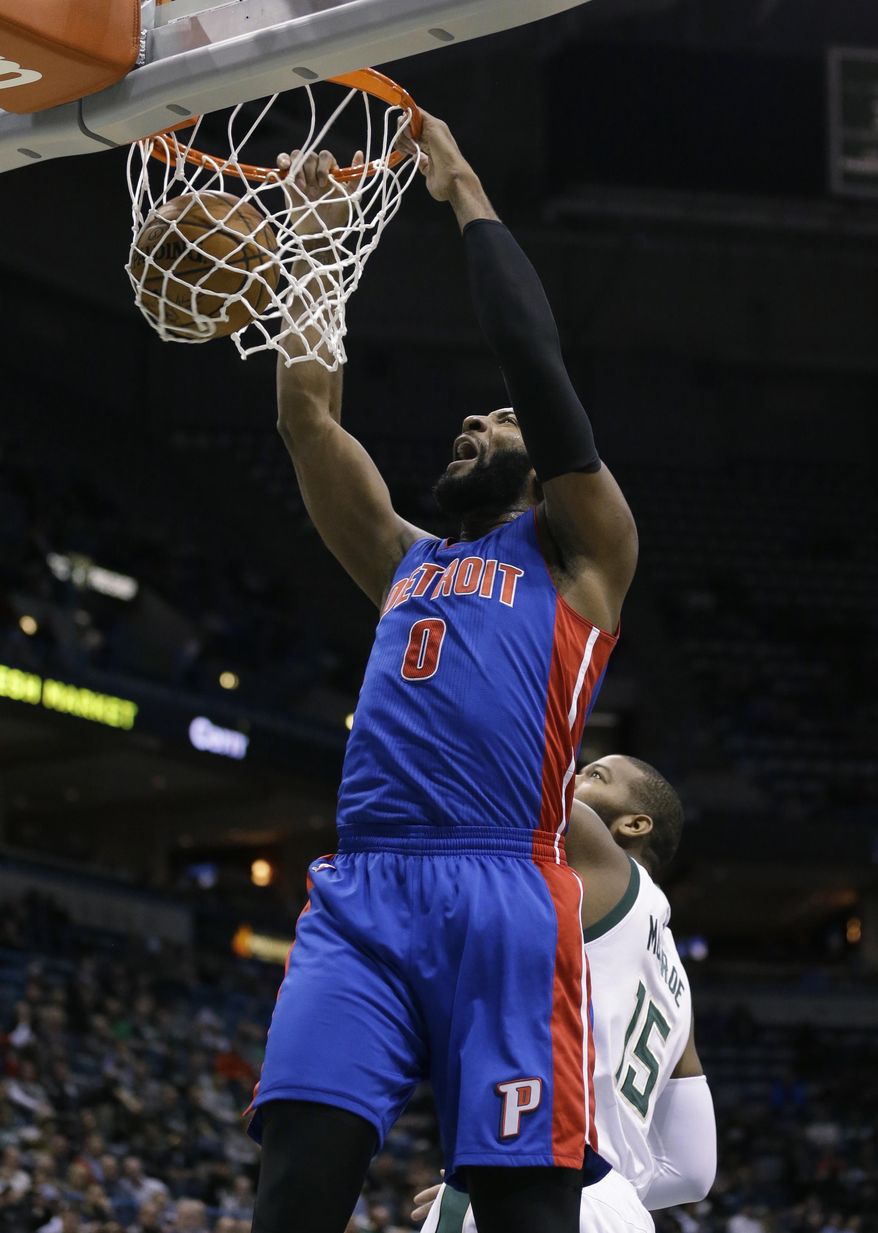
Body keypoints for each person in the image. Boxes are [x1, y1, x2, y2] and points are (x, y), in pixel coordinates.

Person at [249, 113, 639, 1233]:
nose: (476, 416)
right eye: (475, 413)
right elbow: (306, 416)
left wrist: (463, 184)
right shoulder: (405, 563)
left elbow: (534, 358)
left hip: (504, 897)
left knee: (523, 1215)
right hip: (361, 894)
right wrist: (313, 247)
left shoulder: (582, 558)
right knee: (295, 1189)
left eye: (499, 418)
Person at [414, 756, 717, 1233]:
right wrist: (605, 1194)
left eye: (595, 776)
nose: (573, 778)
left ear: (634, 824)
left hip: (544, 1166)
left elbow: (513, 768)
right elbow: (693, 1172)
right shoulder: (676, 982)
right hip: (622, 1214)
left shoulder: (605, 869)